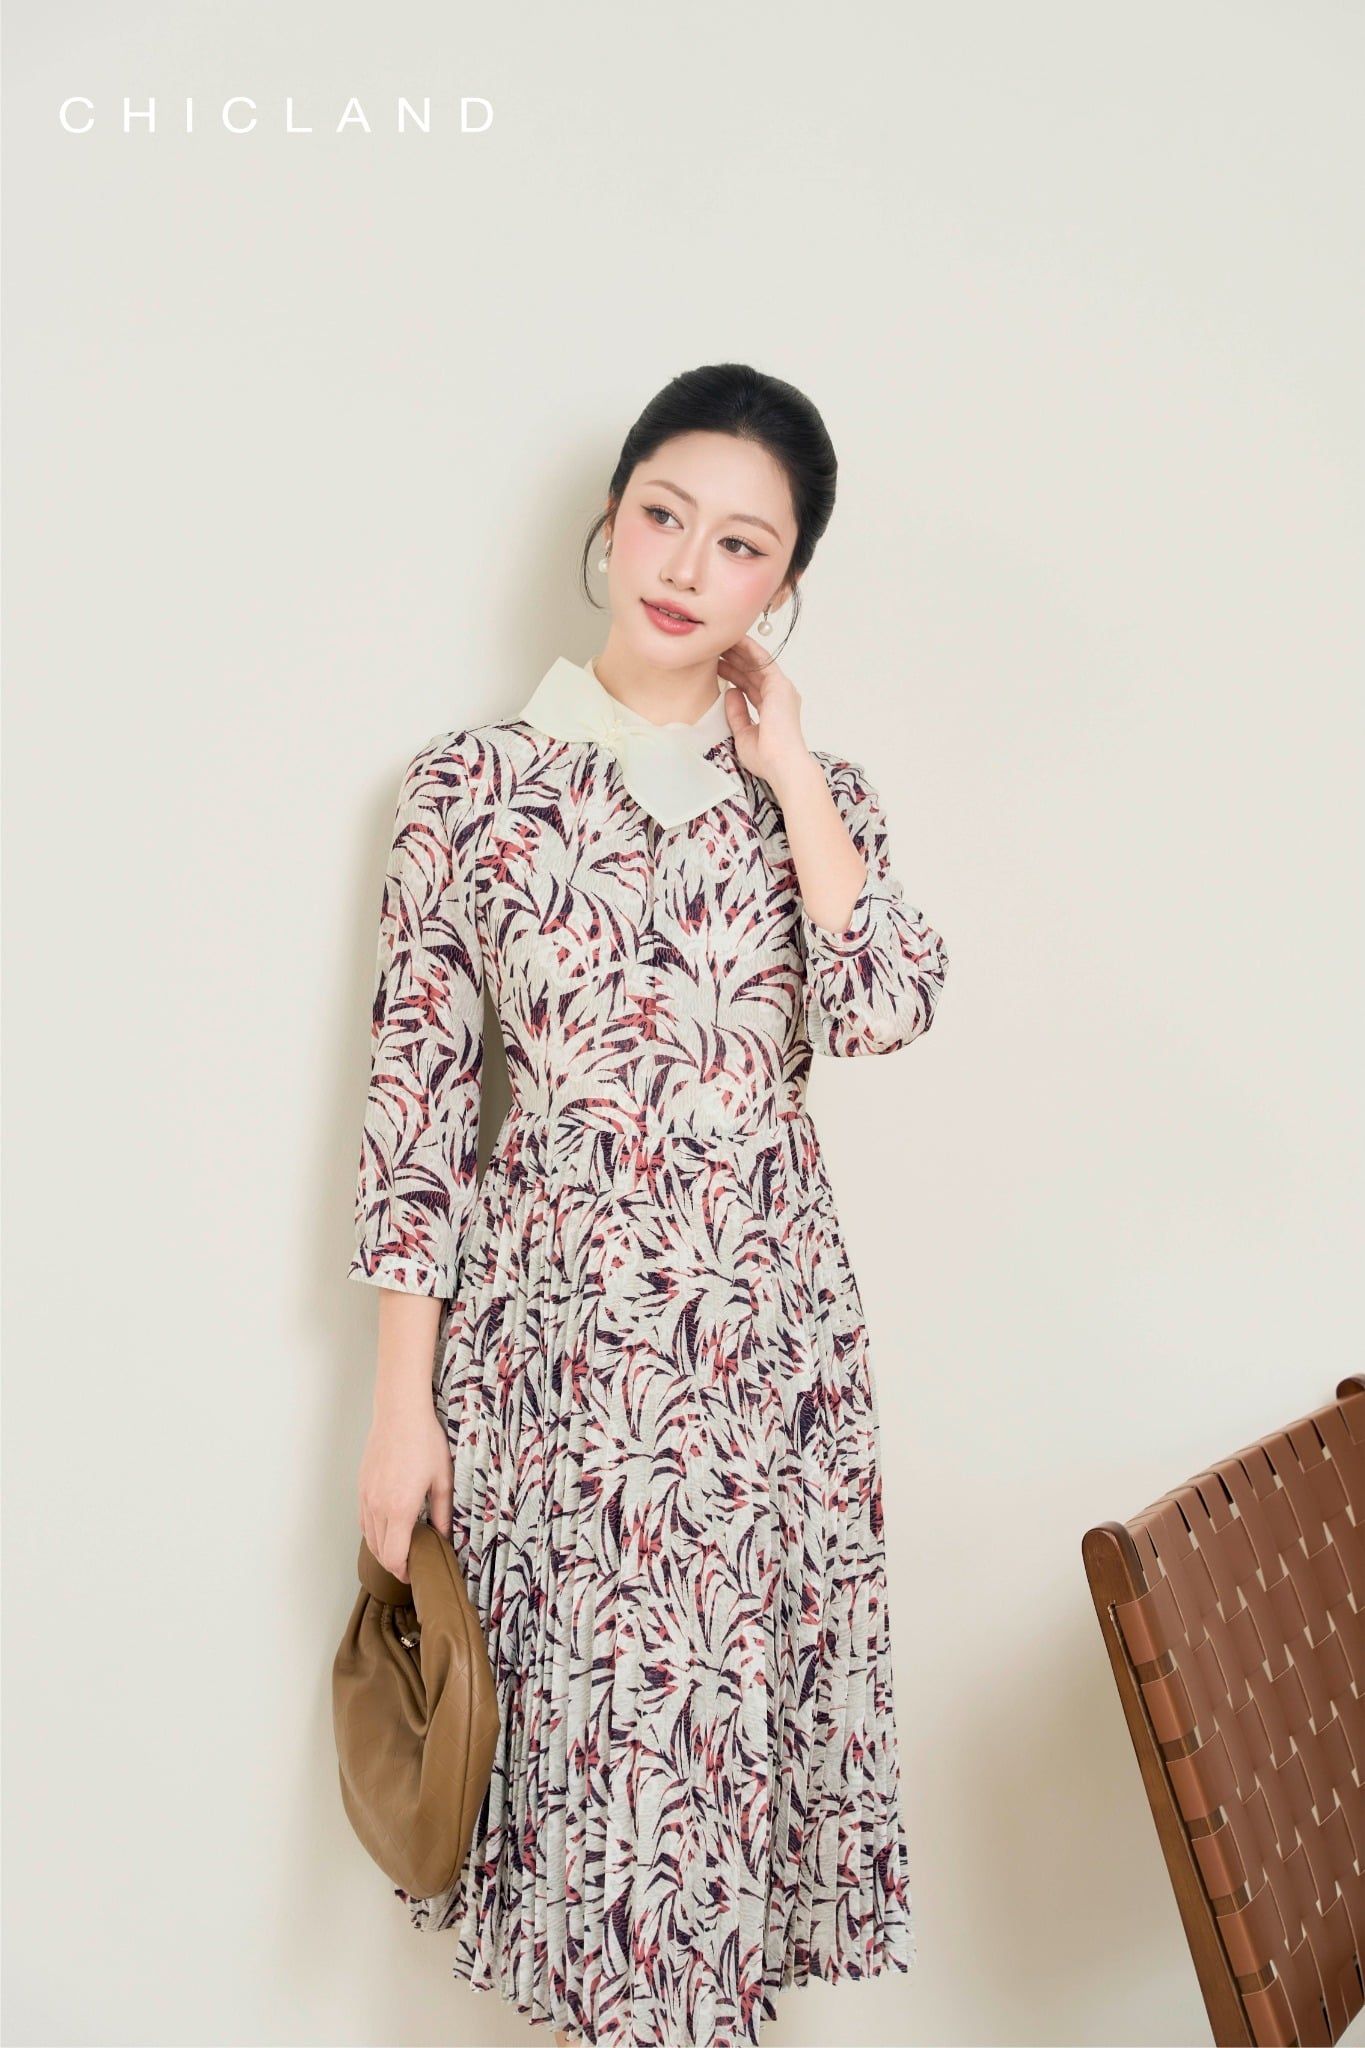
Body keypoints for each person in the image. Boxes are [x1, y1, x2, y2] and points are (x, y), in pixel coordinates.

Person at [348, 362, 950, 2048]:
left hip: (761, 1359)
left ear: (784, 585)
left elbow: (890, 1005)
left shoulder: (817, 805)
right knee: (590, 1793)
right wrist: (401, 1412)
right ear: (608, 522)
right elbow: (412, 1125)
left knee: (711, 1793)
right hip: (553, 1363)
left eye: (741, 544)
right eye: (664, 515)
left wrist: (794, 771)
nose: (687, 566)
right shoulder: (468, 789)